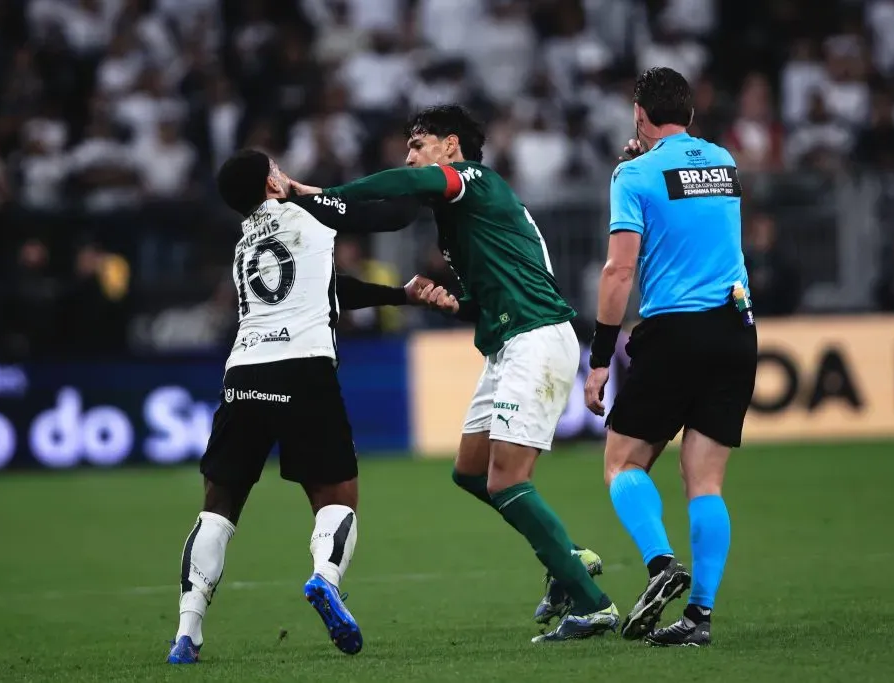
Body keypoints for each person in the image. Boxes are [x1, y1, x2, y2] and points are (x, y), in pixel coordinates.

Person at [292, 105, 616, 643]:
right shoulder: (462, 214)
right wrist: (454, 305)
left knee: (507, 479)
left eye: (419, 144)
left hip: (534, 338)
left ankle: (593, 603)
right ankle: (569, 559)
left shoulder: (472, 180)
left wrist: (321, 195)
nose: (411, 155)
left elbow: (406, 181)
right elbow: (491, 292)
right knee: (470, 471)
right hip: (507, 340)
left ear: (451, 145)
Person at [166, 149, 454, 664]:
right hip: (304, 369)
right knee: (337, 497)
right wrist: (429, 181)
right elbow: (388, 216)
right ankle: (325, 579)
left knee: (218, 505)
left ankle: (187, 632)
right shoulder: (311, 210)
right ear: (273, 181)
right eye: (275, 167)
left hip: (244, 372)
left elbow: (328, 289)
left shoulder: (244, 243)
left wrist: (397, 296)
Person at [584, 67, 758, 647]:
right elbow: (689, 181)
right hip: (736, 329)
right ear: (690, 112)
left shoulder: (632, 175)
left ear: (638, 112)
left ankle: (662, 566)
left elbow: (619, 270)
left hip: (675, 332)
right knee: (705, 484)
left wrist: (602, 357)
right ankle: (699, 618)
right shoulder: (725, 162)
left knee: (622, 464)